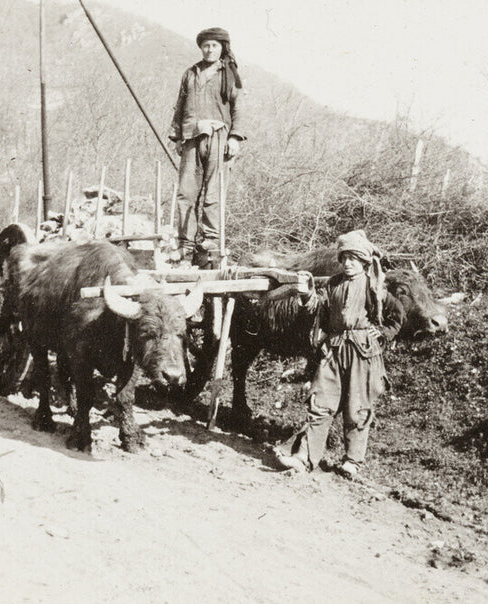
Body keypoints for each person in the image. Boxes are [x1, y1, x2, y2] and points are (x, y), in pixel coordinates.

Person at [274, 230, 403, 477]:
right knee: (320, 403)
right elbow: (318, 308)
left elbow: (397, 314)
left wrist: (383, 333)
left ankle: (353, 461)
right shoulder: (333, 283)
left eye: (353, 259)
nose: (347, 264)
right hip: (333, 350)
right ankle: (304, 457)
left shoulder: (374, 285)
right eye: (344, 258)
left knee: (357, 407)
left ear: (364, 260)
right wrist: (306, 294)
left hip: (363, 353)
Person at [168, 27, 246, 268]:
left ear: (222, 47)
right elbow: (180, 106)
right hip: (192, 137)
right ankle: (185, 245)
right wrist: (178, 137)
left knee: (214, 193)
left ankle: (211, 240)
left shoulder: (229, 74)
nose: (209, 49)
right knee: (186, 193)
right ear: (200, 48)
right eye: (206, 45)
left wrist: (235, 137)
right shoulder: (190, 74)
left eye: (214, 45)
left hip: (219, 138)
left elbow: (238, 108)